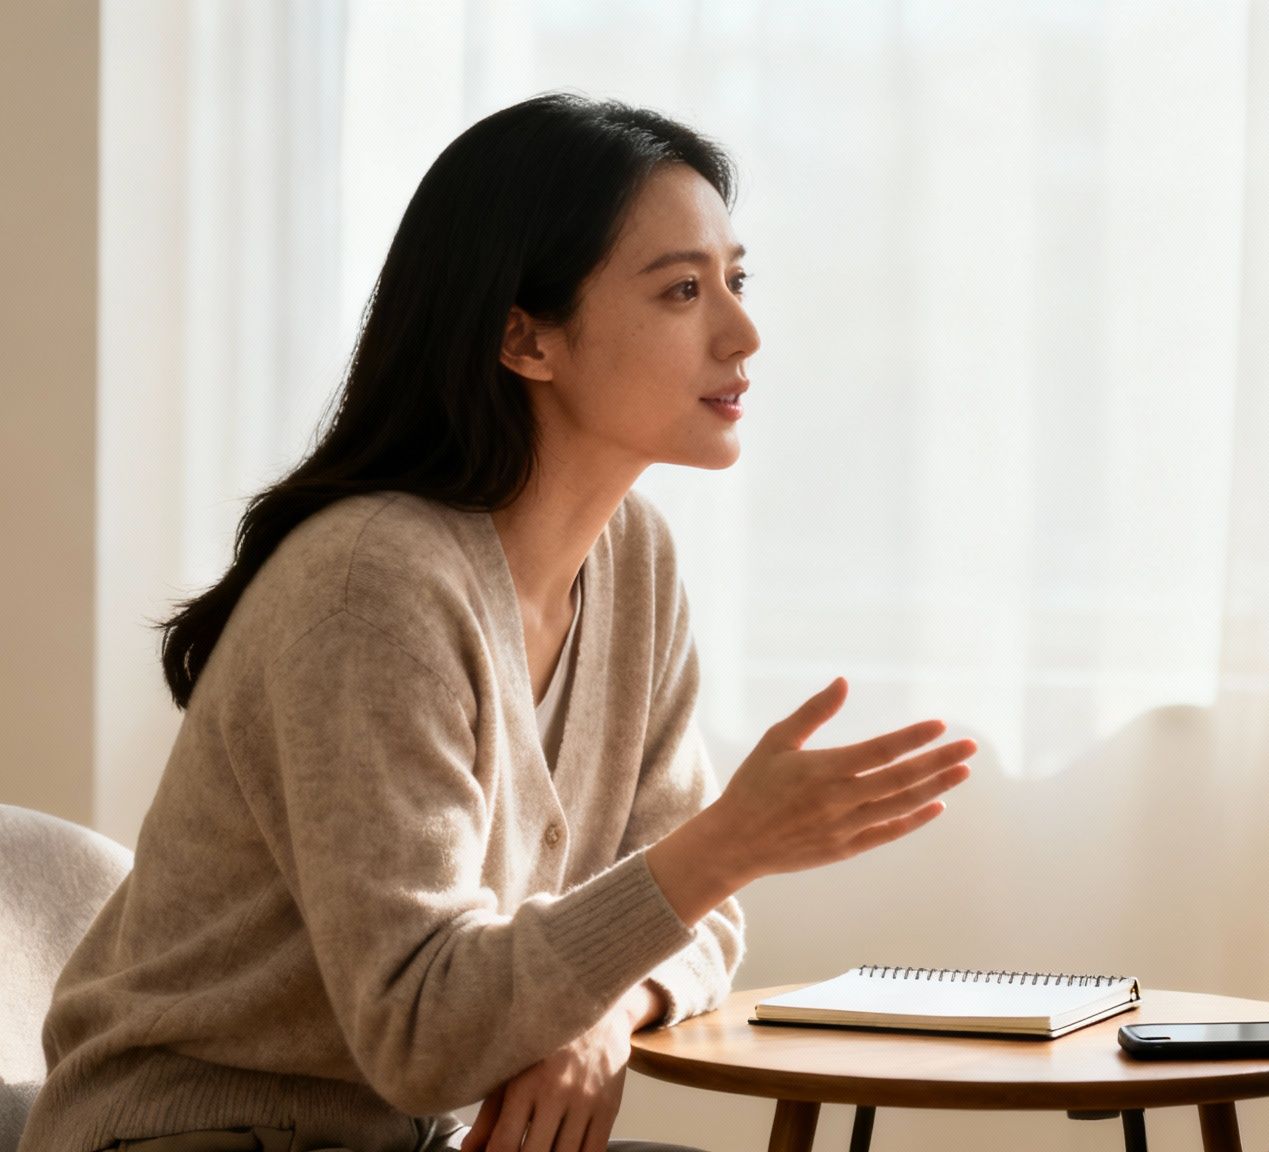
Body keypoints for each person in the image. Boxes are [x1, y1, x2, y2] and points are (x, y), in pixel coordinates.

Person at [22, 95, 975, 1152]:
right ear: (525, 338)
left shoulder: (633, 563)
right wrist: (731, 843)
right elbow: (426, 1030)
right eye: (681, 291)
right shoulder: (371, 585)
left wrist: (603, 1013)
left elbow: (694, 922)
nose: (742, 332)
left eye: (736, 282)